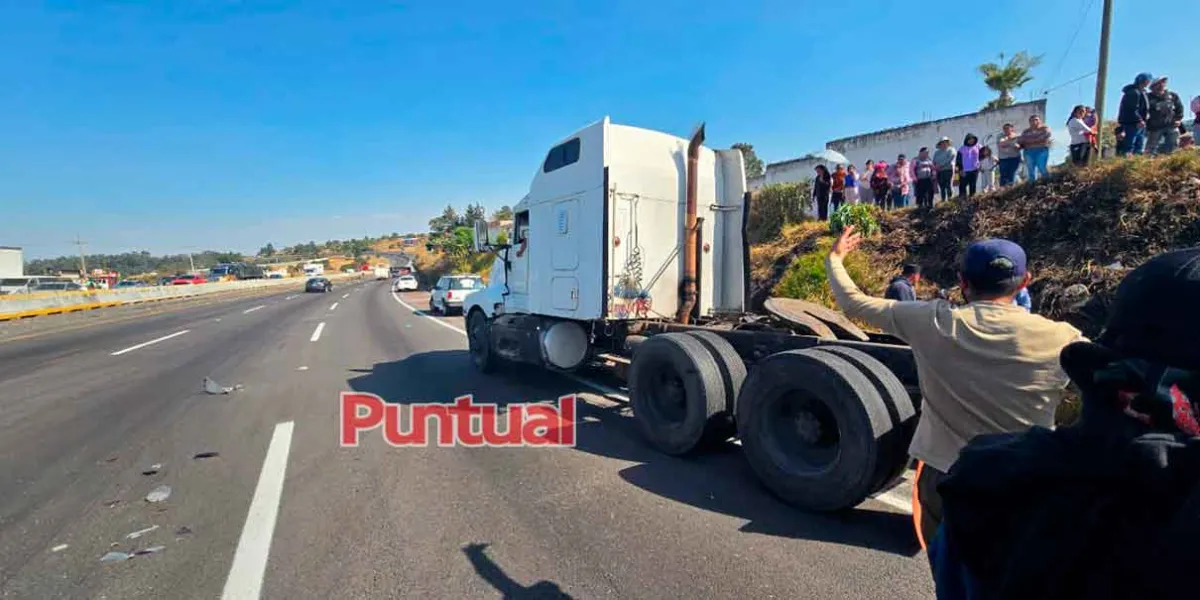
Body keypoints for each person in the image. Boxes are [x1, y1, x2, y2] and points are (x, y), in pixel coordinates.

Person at [931, 248, 1200, 600]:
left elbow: (861, 306)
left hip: (995, 469)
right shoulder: (1060, 334)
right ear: (1026, 281)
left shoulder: (980, 480)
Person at [825, 228, 1084, 553]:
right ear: (1025, 281)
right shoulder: (1065, 338)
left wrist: (836, 258)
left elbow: (854, 303)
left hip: (948, 475)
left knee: (954, 571)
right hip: (1028, 480)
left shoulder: (931, 322)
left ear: (962, 282)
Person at [1145, 77, 1185, 155]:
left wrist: (1178, 119)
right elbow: (1143, 110)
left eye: (1163, 83)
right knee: (1151, 147)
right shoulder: (1148, 97)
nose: (1160, 85)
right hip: (1155, 126)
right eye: (1158, 84)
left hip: (1171, 124)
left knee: (1173, 144)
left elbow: (1179, 108)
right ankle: (1148, 162)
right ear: (1152, 87)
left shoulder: (1172, 95)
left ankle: (1170, 160)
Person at [1117, 72, 1153, 156]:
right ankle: (1126, 162)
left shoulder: (1142, 92)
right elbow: (1131, 108)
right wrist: (1139, 119)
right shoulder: (1133, 92)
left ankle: (1136, 161)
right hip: (1132, 123)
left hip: (1139, 123)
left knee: (1139, 145)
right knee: (1129, 145)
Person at [1019, 115, 1053, 182]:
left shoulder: (1044, 128)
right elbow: (1022, 140)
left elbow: (1047, 135)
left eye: (1036, 119)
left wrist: (1030, 141)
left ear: (1039, 121)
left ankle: (1048, 182)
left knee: (1042, 167)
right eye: (1032, 120)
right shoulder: (1026, 131)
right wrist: (1037, 139)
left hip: (1041, 150)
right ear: (1029, 122)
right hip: (1028, 151)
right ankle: (1032, 186)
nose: (1034, 121)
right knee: (1030, 170)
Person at [955, 134, 981, 198]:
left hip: (974, 170)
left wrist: (980, 164)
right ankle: (963, 200)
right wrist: (960, 170)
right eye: (970, 139)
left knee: (973, 186)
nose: (971, 141)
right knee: (962, 186)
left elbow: (985, 153)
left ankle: (972, 200)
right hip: (964, 171)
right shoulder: (962, 149)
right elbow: (958, 161)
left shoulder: (978, 146)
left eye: (973, 139)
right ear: (966, 140)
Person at [933, 137, 956, 202]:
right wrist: (935, 167)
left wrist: (941, 165)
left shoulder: (951, 150)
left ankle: (950, 199)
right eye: (942, 142)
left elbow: (950, 158)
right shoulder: (937, 153)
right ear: (940, 144)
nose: (944, 144)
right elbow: (934, 161)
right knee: (942, 186)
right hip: (939, 171)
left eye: (945, 142)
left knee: (949, 185)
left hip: (948, 170)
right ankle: (943, 200)